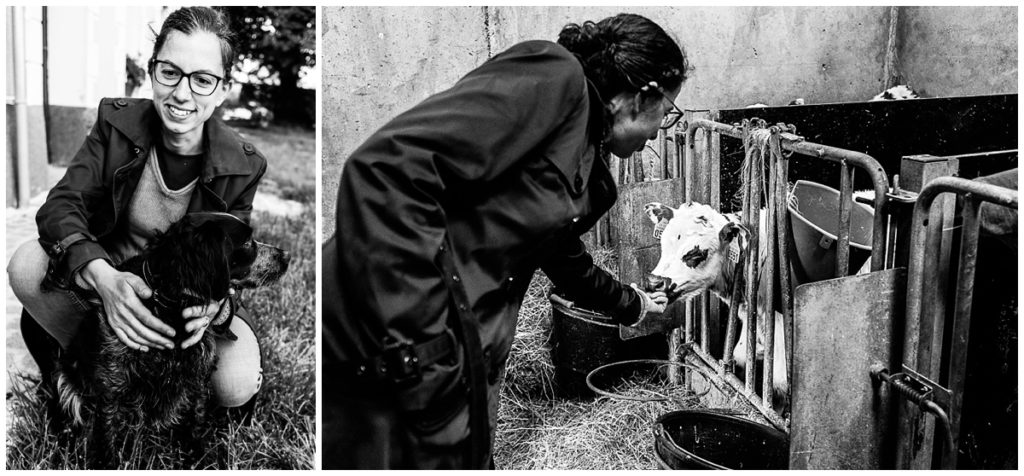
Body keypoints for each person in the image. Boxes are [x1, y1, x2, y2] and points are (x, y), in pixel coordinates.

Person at [323, 13, 690, 469]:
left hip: (456, 359)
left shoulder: (583, 149)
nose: (660, 130)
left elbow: (559, 252)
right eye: (667, 113)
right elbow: (384, 171)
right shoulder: (556, 77)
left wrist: (630, 303)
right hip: (389, 344)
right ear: (641, 96)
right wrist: (425, 361)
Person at [8, 6, 266, 414]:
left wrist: (219, 306)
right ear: (152, 72)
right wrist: (102, 275)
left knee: (234, 386)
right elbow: (61, 206)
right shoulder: (116, 124)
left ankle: (141, 370)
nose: (182, 94)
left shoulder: (243, 164)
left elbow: (234, 259)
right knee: (26, 265)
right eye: (170, 72)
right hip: (108, 281)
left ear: (221, 90)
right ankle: (96, 376)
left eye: (202, 80)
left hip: (177, 302)